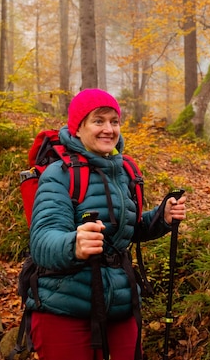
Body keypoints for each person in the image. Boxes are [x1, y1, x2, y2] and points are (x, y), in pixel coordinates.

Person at [25, 88, 187, 360]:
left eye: (114, 121)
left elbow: (126, 232)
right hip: (64, 308)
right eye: (98, 121)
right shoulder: (60, 174)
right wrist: (73, 244)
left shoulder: (124, 172)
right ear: (78, 128)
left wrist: (162, 218)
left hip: (120, 305)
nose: (108, 129)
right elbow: (42, 241)